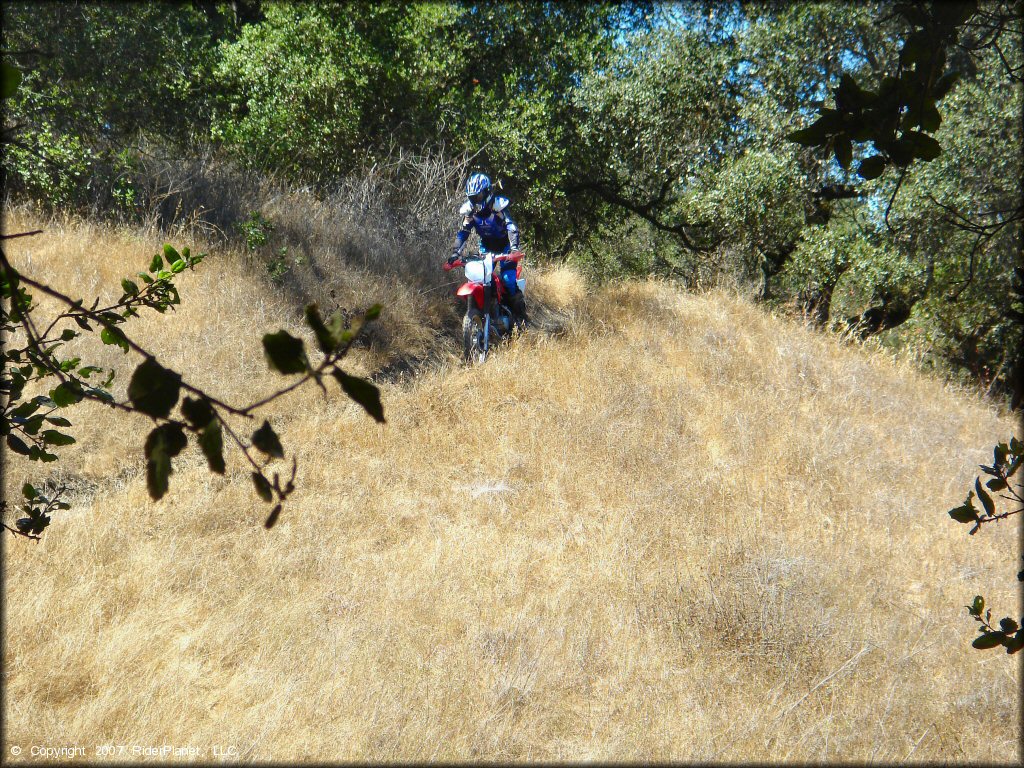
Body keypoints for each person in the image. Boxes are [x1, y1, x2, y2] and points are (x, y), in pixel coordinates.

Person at [447, 172, 527, 327]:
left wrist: (514, 248)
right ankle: (484, 315)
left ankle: (522, 319)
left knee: (509, 280)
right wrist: (455, 252)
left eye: (479, 195)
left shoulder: (498, 207)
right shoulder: (470, 212)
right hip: (486, 248)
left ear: (488, 192)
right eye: (473, 197)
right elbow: (464, 232)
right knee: (479, 279)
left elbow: (511, 226)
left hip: (505, 246)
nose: (476, 200)